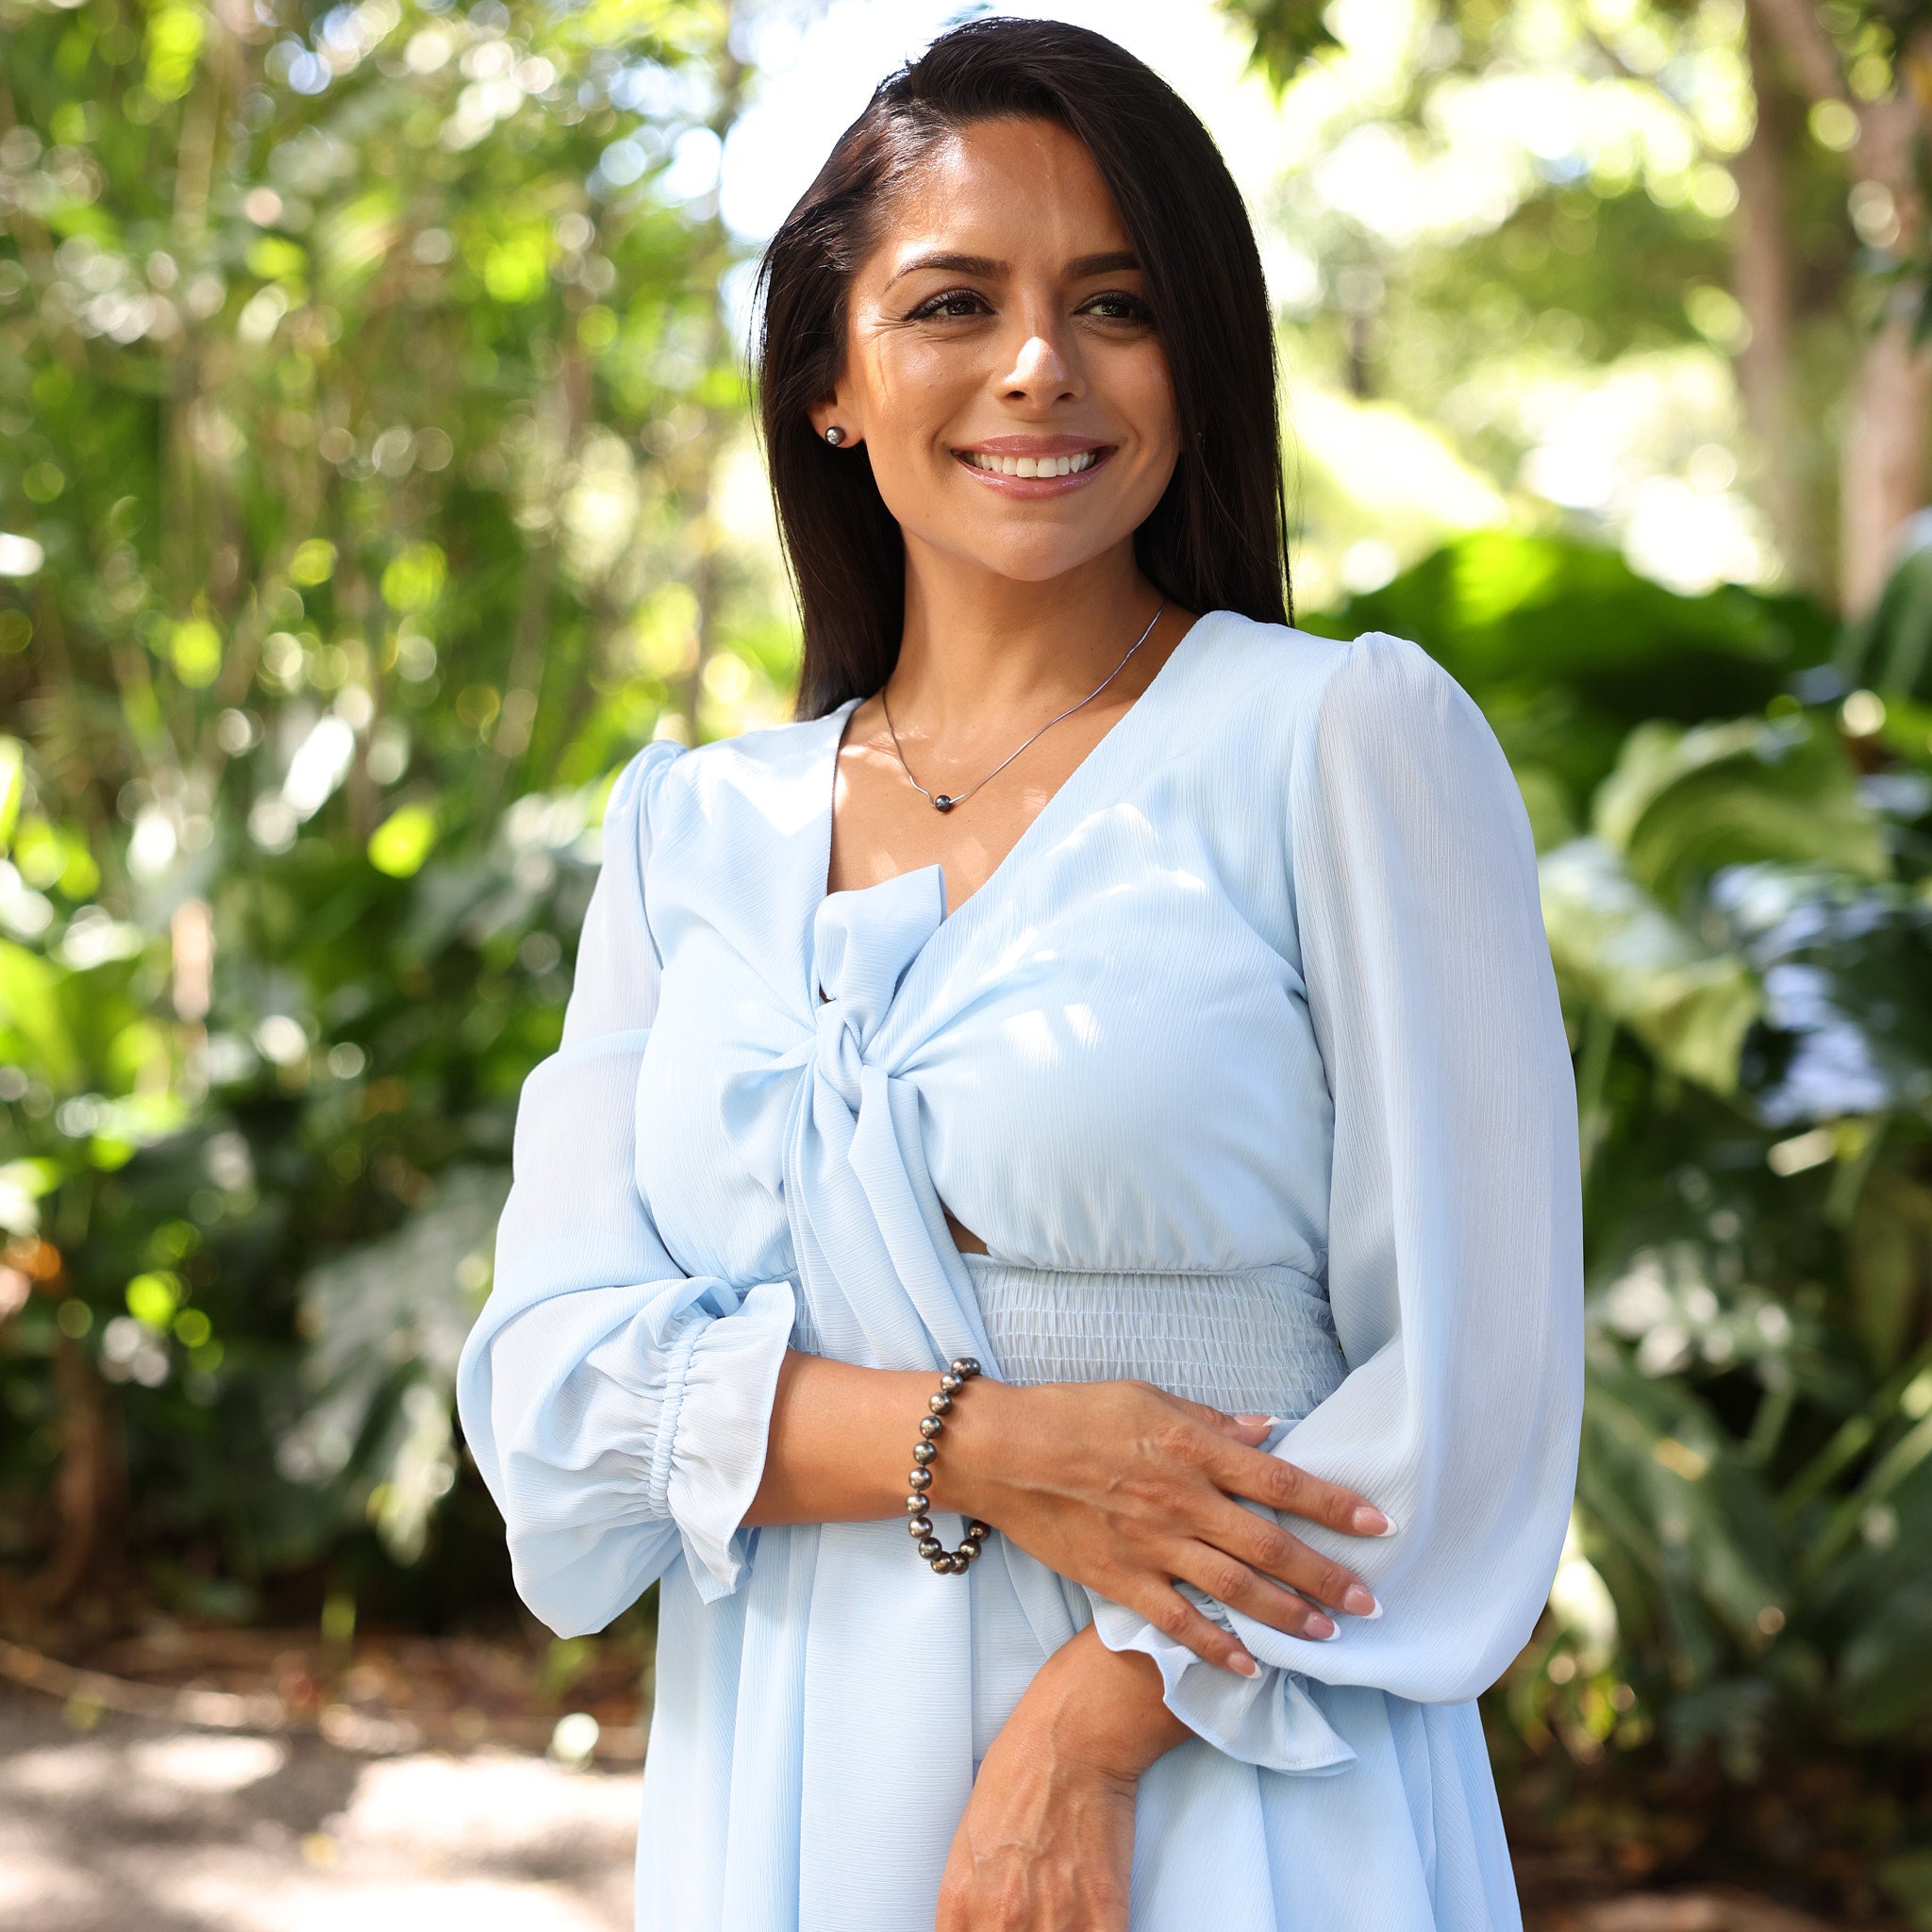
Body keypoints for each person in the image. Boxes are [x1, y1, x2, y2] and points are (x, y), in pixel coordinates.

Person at [456, 19, 1583, 1931]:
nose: (1037, 365)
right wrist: (989, 1444)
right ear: (828, 377)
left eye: (1115, 304)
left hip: (1233, 1772)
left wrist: (1093, 1723)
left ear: (1196, 365)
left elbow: (1469, 1390)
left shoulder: (1338, 741)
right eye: (953, 302)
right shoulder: (687, 833)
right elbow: (553, 1394)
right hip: (794, 1769)